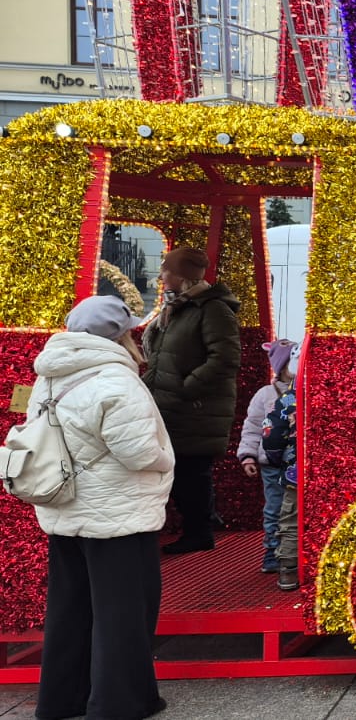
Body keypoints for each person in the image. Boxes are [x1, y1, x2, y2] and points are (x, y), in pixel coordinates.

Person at [29, 296, 174, 719]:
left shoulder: (48, 375)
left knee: (69, 609)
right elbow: (138, 452)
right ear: (121, 334)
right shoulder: (116, 379)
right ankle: (118, 703)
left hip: (63, 508)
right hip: (118, 515)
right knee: (123, 613)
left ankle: (61, 700)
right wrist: (166, 458)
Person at [141, 246, 241, 554]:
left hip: (194, 407)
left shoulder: (212, 309)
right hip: (174, 405)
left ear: (181, 275)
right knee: (183, 473)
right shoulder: (178, 307)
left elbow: (225, 358)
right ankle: (197, 528)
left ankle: (199, 533)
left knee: (191, 474)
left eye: (167, 270)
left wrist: (187, 388)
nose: (161, 276)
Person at [237, 339, 297, 574]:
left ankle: (293, 549)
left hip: (296, 463)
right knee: (274, 507)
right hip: (272, 464)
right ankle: (272, 549)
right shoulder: (265, 395)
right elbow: (252, 427)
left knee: (294, 509)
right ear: (281, 367)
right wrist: (248, 455)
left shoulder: (306, 390)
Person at [261, 381, 300, 591]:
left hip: (297, 471)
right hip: (338, 470)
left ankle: (288, 571)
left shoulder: (290, 397)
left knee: (291, 520)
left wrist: (277, 459)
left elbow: (272, 435)